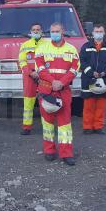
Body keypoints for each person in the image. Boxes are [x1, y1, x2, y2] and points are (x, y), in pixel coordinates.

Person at [35, 22, 79, 166]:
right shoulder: (42, 48)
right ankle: (49, 151)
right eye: (52, 31)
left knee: (64, 124)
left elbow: (74, 69)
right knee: (47, 123)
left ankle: (66, 153)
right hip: (46, 89)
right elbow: (40, 68)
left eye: (57, 31)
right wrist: (53, 81)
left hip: (63, 91)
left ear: (63, 31)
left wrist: (62, 82)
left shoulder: (72, 49)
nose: (54, 33)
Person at [79, 25, 106, 134]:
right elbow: (82, 62)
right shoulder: (86, 46)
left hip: (105, 80)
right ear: (92, 33)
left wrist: (105, 72)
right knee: (88, 105)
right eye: (96, 31)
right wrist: (91, 72)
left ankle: (98, 127)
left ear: (104, 32)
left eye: (100, 31)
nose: (98, 33)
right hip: (89, 80)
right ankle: (87, 127)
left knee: (100, 106)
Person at [18, 23, 44, 135]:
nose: (36, 31)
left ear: (41, 31)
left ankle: (47, 125)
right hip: (29, 77)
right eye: (34, 29)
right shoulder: (25, 45)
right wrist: (30, 73)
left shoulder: (48, 44)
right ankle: (26, 127)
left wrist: (42, 72)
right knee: (28, 103)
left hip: (44, 77)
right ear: (30, 31)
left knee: (45, 102)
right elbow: (22, 61)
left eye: (38, 29)